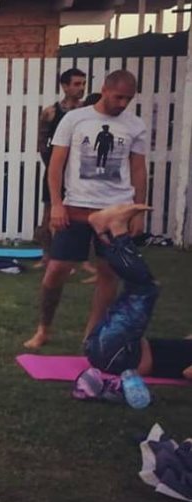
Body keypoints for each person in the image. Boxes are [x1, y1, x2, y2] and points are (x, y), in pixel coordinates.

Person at [24, 70, 148, 350]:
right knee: (56, 268)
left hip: (116, 210)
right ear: (104, 89)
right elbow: (56, 164)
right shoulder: (74, 119)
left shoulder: (135, 125)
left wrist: (138, 211)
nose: (122, 104)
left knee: (108, 273)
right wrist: (57, 203)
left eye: (128, 99)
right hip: (77, 205)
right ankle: (44, 328)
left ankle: (91, 336)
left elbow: (139, 168)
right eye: (118, 97)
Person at [84, 203, 192, 381]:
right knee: (141, 286)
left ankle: (116, 228)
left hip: (119, 355)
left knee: (144, 289)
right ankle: (112, 229)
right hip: (113, 348)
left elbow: (188, 372)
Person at [35, 68, 87, 268]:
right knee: (50, 212)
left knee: (78, 213)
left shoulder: (86, 112)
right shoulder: (51, 112)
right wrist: (52, 165)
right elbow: (42, 141)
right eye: (76, 84)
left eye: (83, 84)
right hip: (56, 167)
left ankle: (72, 259)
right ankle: (47, 256)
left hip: (80, 170)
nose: (80, 88)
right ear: (65, 86)